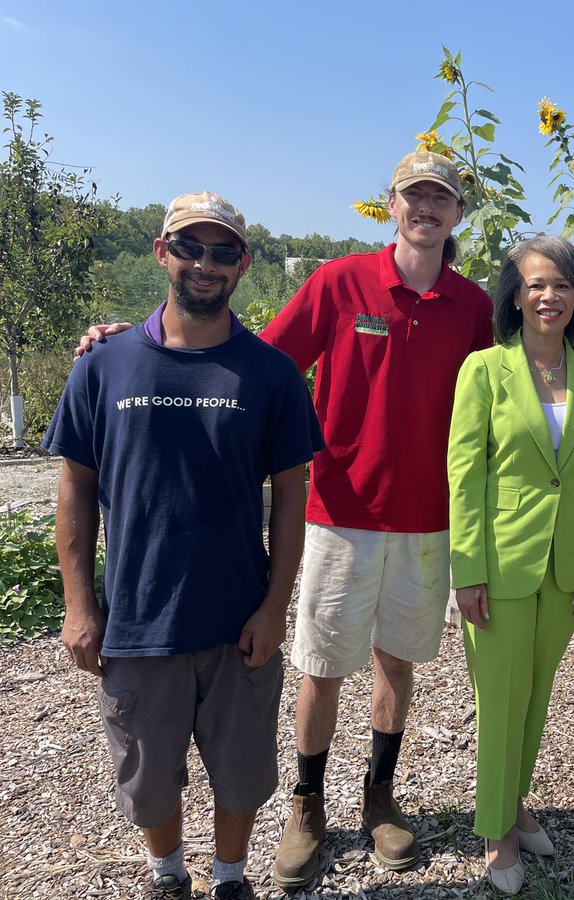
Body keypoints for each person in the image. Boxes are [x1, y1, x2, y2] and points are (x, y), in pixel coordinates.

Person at [79, 153, 494, 889]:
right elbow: (246, 362)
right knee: (322, 667)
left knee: (396, 662)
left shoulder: (473, 307)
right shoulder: (341, 283)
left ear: (458, 214)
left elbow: (500, 396)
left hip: (430, 521)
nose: (427, 208)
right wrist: (130, 345)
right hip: (340, 511)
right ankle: (307, 803)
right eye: (413, 195)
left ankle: (379, 793)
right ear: (391, 205)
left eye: (442, 198)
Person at [47, 192, 323, 900]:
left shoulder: (269, 374)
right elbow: (75, 485)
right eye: (190, 247)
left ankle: (231, 881)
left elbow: (292, 497)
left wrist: (274, 607)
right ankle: (167, 877)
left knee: (242, 772)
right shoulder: (103, 365)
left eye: (223, 251)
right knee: (147, 775)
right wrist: (80, 605)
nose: (205, 264)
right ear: (162, 251)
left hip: (237, 624)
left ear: (243, 265)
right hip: (137, 621)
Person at [446, 236, 574, 895]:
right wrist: (468, 569)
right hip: (500, 560)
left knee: (536, 694)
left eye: (563, 286)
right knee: (500, 698)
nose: (549, 296)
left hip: (566, 563)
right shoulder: (484, 371)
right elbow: (465, 477)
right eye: (536, 285)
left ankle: (513, 799)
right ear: (515, 296)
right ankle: (497, 830)